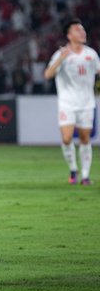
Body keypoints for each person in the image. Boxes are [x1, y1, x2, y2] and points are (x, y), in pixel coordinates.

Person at [44, 18, 100, 185]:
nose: (82, 32)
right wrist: (61, 59)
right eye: (77, 30)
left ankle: (85, 176)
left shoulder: (91, 54)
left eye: (82, 29)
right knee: (67, 138)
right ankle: (73, 169)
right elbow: (48, 75)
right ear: (69, 35)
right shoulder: (61, 54)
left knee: (84, 139)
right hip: (67, 103)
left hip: (86, 103)